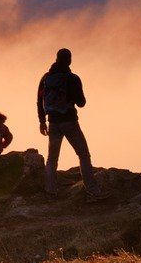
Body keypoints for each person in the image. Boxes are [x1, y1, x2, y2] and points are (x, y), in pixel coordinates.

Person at [37, 47, 101, 198]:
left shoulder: (46, 78)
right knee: (83, 154)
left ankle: (51, 191)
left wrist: (42, 121)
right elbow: (81, 103)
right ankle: (92, 190)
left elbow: (39, 101)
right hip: (70, 121)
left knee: (52, 159)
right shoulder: (72, 78)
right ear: (69, 60)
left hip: (52, 123)